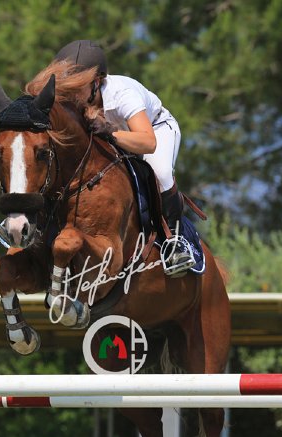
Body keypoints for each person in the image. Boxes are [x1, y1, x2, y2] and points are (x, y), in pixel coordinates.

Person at [53, 40, 195, 277]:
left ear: (96, 82)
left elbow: (148, 143)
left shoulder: (123, 95)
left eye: (77, 86)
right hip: (116, 134)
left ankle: (176, 241)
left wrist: (110, 132)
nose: (71, 94)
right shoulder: (78, 98)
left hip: (155, 129)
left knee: (160, 172)